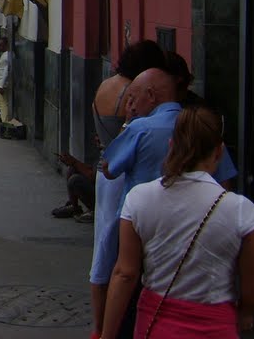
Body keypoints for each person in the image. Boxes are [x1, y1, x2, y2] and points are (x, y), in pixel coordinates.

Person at [100, 66, 238, 339]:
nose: (131, 104)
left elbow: (109, 169)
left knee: (133, 296)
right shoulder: (202, 129)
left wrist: (128, 122)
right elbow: (226, 184)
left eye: (133, 97)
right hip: (202, 243)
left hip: (141, 229)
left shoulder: (140, 129)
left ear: (150, 95)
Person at [86, 40, 168, 338]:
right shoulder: (134, 93)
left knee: (103, 244)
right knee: (121, 244)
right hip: (122, 172)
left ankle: (99, 325)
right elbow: (131, 136)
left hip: (104, 170)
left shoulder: (105, 86)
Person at [0, 37, 12, 123]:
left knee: (3, 104)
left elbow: (6, 71)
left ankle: (5, 124)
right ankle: (3, 120)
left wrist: (1, 85)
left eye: (1, 45)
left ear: (6, 45)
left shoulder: (7, 56)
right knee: (2, 103)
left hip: (4, 84)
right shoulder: (7, 54)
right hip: (3, 83)